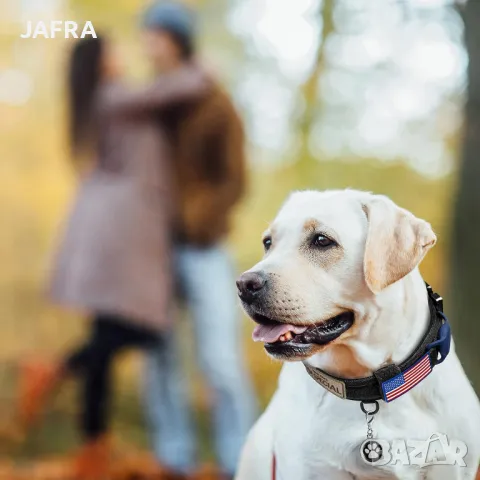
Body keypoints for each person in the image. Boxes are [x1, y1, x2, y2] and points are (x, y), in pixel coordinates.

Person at [17, 35, 208, 480]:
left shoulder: (99, 100)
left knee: (108, 334)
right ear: (100, 63)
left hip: (111, 226)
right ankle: (59, 375)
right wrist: (203, 68)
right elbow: (173, 89)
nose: (121, 57)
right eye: (114, 52)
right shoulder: (116, 95)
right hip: (120, 228)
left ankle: (89, 447)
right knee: (143, 329)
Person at [140, 3, 257, 479]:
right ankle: (175, 458)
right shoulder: (147, 103)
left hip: (205, 247)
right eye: (146, 35)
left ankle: (240, 460)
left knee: (220, 359)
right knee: (160, 357)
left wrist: (196, 219)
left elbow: (236, 179)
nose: (148, 44)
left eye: (157, 35)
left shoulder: (215, 100)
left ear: (177, 40)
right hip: (151, 249)